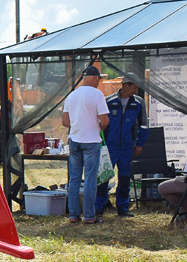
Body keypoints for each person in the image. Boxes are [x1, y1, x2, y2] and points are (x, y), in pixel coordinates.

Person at [62, 65, 110, 224]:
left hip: (74, 140)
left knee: (74, 179)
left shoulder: (71, 95)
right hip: (91, 141)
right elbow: (105, 120)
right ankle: (89, 216)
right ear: (95, 78)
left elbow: (65, 121)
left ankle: (73, 215)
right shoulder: (97, 94)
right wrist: (98, 127)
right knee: (90, 179)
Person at [96, 74, 149, 217]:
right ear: (125, 85)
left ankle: (123, 208)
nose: (136, 90)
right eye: (134, 86)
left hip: (127, 146)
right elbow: (99, 122)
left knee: (125, 178)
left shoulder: (139, 103)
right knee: (104, 177)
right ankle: (99, 207)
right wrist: (100, 142)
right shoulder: (108, 101)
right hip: (110, 146)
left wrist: (139, 144)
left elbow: (144, 125)